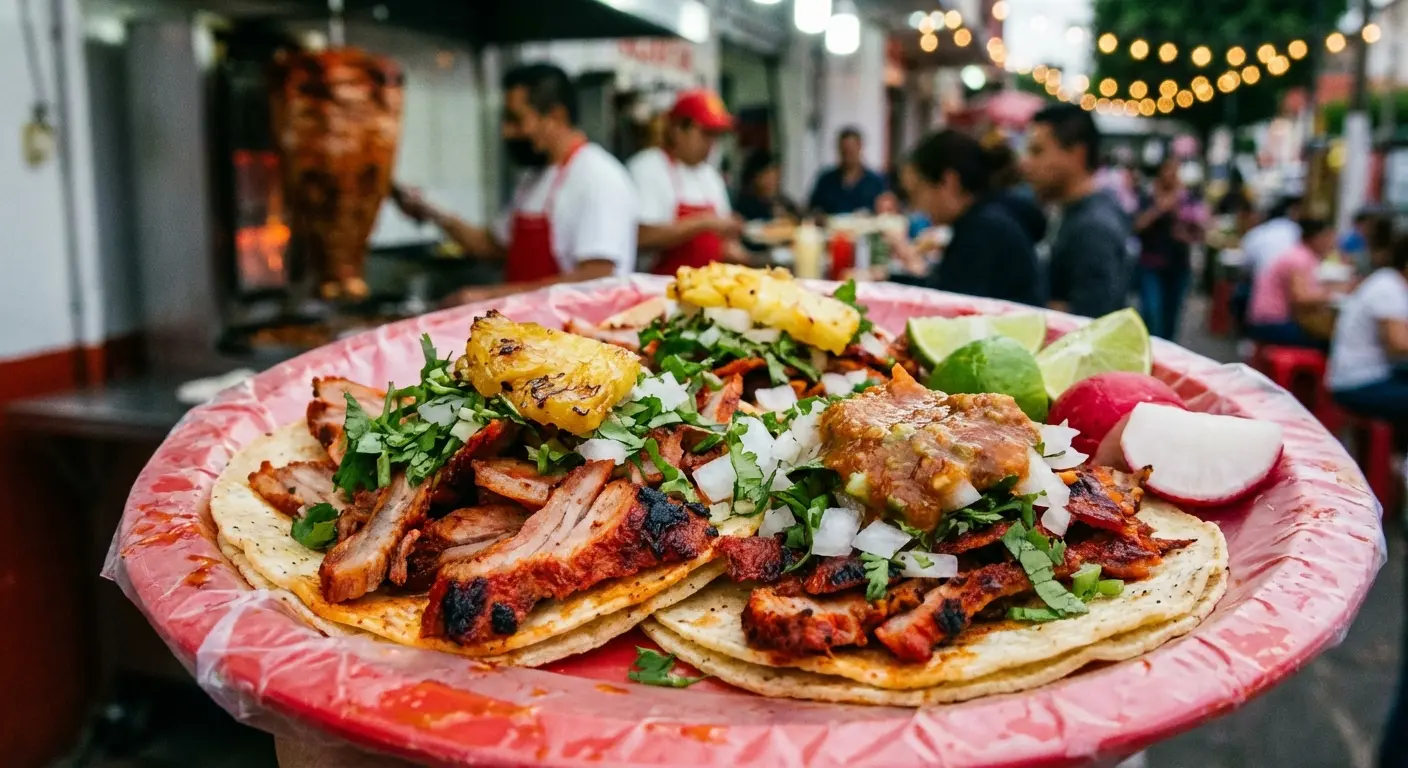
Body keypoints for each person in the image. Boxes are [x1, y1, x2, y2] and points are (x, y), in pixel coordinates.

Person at [394, 63, 636, 305]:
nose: (506, 132)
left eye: (516, 120)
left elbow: (596, 277)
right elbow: (491, 245)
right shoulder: (534, 179)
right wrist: (430, 212)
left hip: (576, 337)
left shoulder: (598, 176)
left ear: (555, 116)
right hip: (526, 334)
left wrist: (490, 297)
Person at [896, 129, 1041, 305]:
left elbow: (953, 306)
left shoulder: (982, 232)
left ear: (949, 182)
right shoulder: (985, 219)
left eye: (917, 192)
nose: (917, 207)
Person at [1021, 103, 1130, 318]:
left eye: (1037, 151)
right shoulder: (1069, 211)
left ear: (1077, 154)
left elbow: (1090, 322)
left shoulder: (1094, 227)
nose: (1026, 163)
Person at [627, 90, 742, 274]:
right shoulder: (648, 167)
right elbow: (641, 237)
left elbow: (724, 245)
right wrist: (703, 223)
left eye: (715, 135)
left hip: (709, 287)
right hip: (661, 289)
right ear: (677, 130)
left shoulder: (709, 176)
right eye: (706, 133)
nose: (711, 143)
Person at [1327, 234, 1408, 422]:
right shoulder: (1389, 288)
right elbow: (1398, 344)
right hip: (1358, 383)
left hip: (1372, 373)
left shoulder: (1391, 283)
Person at [1133, 157, 1208, 340]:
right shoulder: (1147, 196)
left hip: (1178, 266)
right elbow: (1136, 225)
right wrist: (1159, 209)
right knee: (1152, 313)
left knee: (1171, 318)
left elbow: (1200, 231)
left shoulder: (1187, 199)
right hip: (1150, 264)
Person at [1245, 217, 1336, 348]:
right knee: (1325, 342)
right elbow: (1300, 298)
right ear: (1317, 238)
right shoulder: (1299, 259)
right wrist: (1330, 296)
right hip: (1271, 322)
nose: (1332, 244)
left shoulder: (1301, 255)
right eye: (1329, 238)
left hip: (1268, 320)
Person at [807, 127, 889, 216]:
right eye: (844, 151)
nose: (848, 156)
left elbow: (885, 213)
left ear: (860, 148)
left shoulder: (876, 182)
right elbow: (812, 208)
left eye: (851, 151)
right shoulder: (826, 180)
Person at [1240, 195, 1303, 275]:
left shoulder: (1253, 234)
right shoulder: (1295, 229)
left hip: (1284, 279)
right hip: (1291, 278)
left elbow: (1245, 266)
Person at [733, 150, 800, 222]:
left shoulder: (782, 200)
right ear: (755, 177)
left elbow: (798, 216)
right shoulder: (746, 203)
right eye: (766, 174)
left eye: (775, 174)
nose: (772, 180)